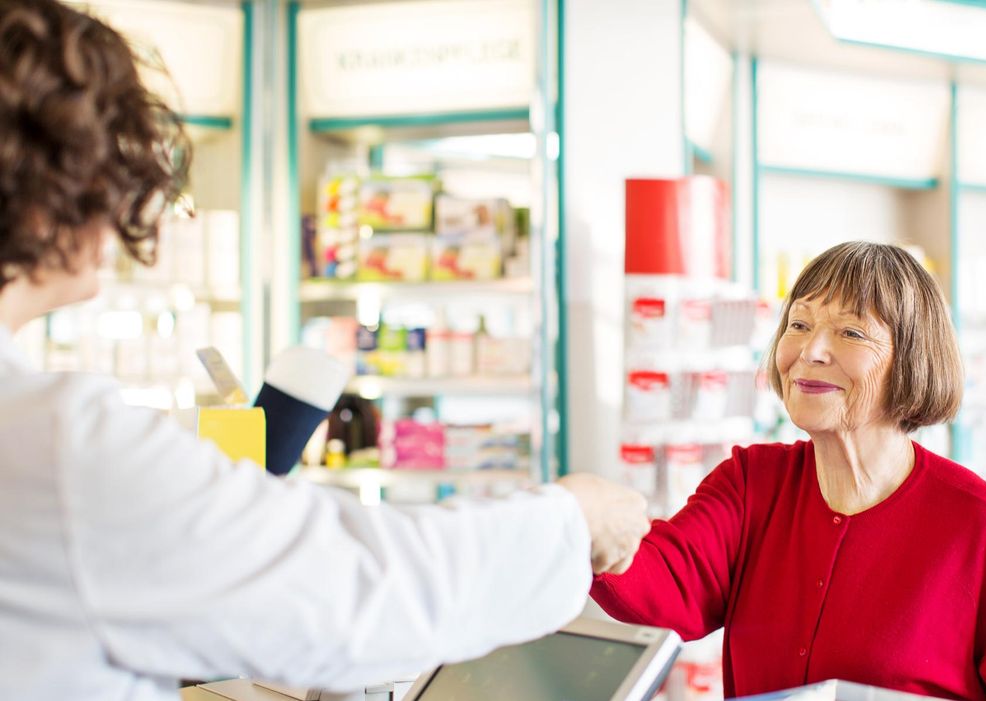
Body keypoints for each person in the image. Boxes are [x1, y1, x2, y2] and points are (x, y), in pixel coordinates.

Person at [0, 1, 650, 699]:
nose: (125, 200)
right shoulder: (56, 442)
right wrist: (569, 518)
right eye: (113, 163)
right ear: (50, 185)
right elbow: (356, 592)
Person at [592, 241, 986, 700]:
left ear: (911, 361)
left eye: (851, 332)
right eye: (800, 325)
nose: (810, 352)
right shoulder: (752, 484)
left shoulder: (981, 525)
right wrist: (579, 523)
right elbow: (661, 589)